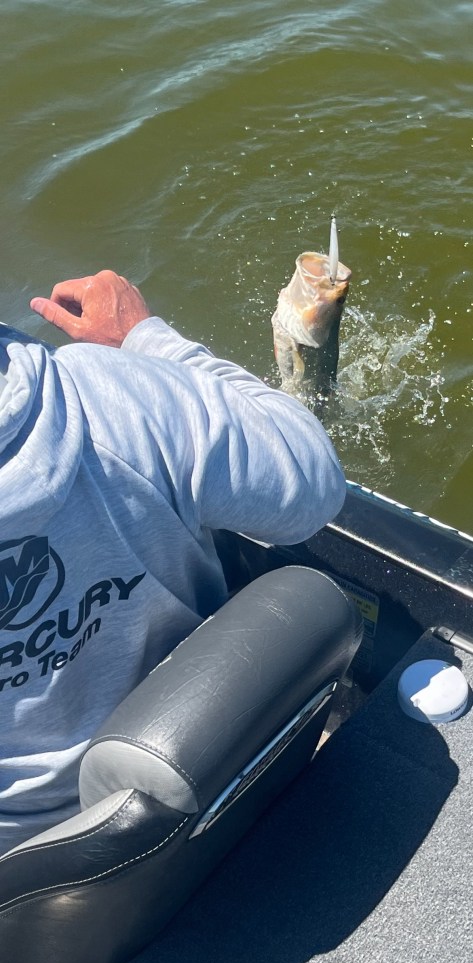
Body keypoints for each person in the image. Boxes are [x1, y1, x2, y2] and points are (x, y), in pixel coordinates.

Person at [0, 270, 346, 856]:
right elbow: (314, 481)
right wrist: (145, 340)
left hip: (46, 873)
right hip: (213, 766)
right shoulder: (110, 396)